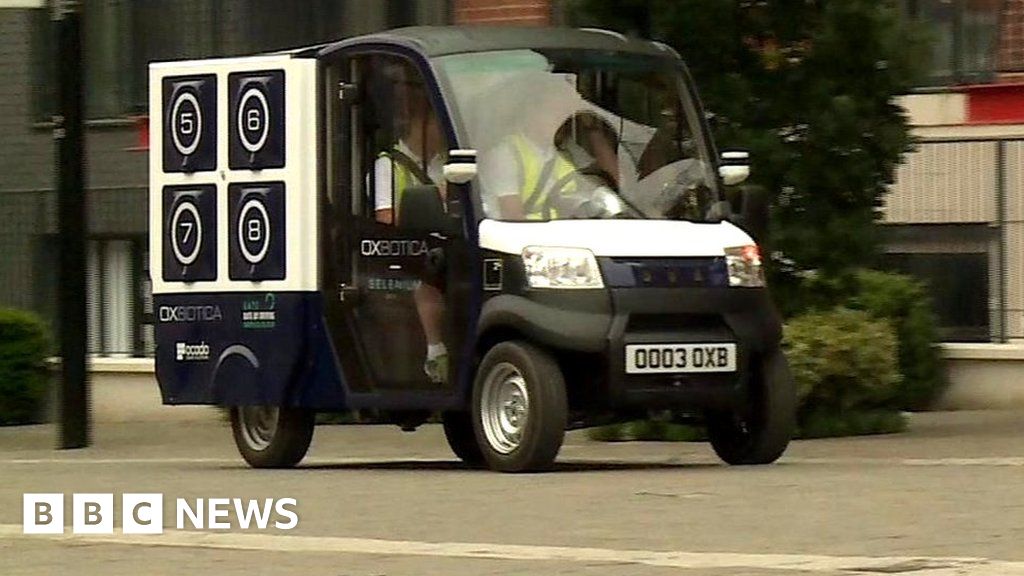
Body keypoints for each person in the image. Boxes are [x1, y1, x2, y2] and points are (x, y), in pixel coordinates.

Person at [371, 66, 451, 384]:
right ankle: (436, 355)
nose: (444, 134)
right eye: (440, 126)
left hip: (445, 249)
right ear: (423, 124)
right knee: (428, 281)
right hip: (403, 258)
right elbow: (386, 222)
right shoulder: (387, 165)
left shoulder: (444, 166)